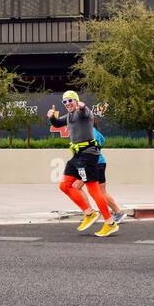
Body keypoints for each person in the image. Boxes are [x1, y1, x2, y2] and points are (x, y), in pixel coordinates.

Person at [47, 90, 116, 238]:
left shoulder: (84, 113)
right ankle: (89, 213)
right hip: (78, 155)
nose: (68, 104)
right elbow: (57, 123)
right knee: (64, 185)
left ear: (76, 101)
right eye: (65, 102)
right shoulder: (69, 116)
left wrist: (82, 106)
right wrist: (51, 117)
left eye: (70, 100)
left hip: (88, 155)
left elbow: (85, 111)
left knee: (93, 190)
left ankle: (110, 223)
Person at [73, 127, 126, 224]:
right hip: (100, 162)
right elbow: (102, 140)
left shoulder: (87, 130)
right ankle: (118, 213)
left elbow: (90, 145)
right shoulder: (92, 129)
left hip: (92, 163)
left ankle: (90, 214)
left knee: (77, 186)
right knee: (101, 191)